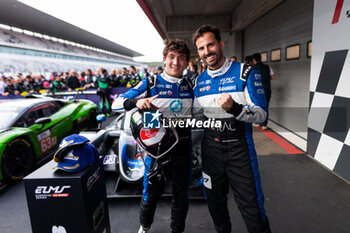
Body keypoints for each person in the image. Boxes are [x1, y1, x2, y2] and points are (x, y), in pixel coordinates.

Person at [192, 24, 271, 233]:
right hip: (210, 151)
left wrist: (235, 108)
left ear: (221, 44)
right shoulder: (198, 82)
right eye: (201, 48)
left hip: (240, 150)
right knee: (216, 207)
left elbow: (262, 115)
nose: (207, 51)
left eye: (210, 45)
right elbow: (195, 118)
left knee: (253, 210)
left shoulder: (246, 72)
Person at [112, 39, 193, 233]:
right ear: (164, 59)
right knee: (150, 193)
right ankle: (145, 226)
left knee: (181, 195)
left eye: (181, 58)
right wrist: (136, 103)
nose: (176, 62)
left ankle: (177, 230)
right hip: (155, 151)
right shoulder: (151, 82)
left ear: (187, 62)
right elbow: (117, 103)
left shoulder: (191, 84)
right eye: (172, 57)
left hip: (183, 148)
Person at [252, 53, 273, 129]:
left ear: (254, 60)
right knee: (265, 106)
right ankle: (264, 125)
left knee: (257, 106)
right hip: (267, 89)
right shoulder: (267, 67)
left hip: (257, 90)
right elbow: (273, 77)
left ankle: (257, 123)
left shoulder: (252, 68)